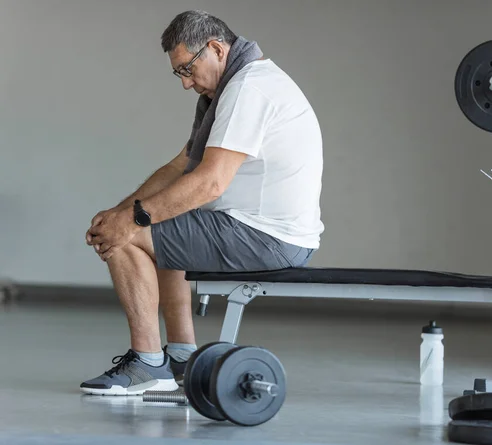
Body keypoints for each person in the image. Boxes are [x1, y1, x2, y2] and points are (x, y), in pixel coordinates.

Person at [80, 10, 324, 395]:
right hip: (266, 231)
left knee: (130, 237)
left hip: (267, 237)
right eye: (179, 73)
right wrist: (120, 211)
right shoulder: (235, 87)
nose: (186, 84)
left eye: (188, 70)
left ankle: (147, 365)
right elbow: (181, 166)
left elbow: (209, 183)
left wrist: (129, 222)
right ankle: (180, 356)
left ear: (216, 48)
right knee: (158, 223)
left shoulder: (249, 89)